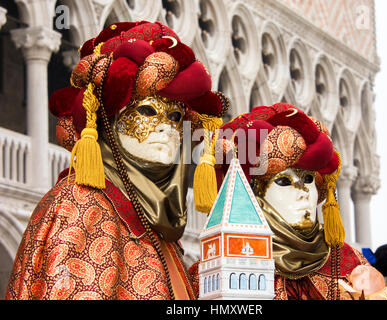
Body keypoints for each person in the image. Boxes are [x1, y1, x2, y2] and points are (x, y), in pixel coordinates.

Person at [5, 21, 228, 300]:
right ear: (108, 121)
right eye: (147, 111)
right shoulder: (82, 206)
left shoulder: (152, 221)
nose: (166, 127)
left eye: (174, 117)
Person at [189, 103, 387, 300]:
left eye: (309, 179)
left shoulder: (347, 263)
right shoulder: (219, 267)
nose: (303, 192)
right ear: (254, 194)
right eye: (284, 181)